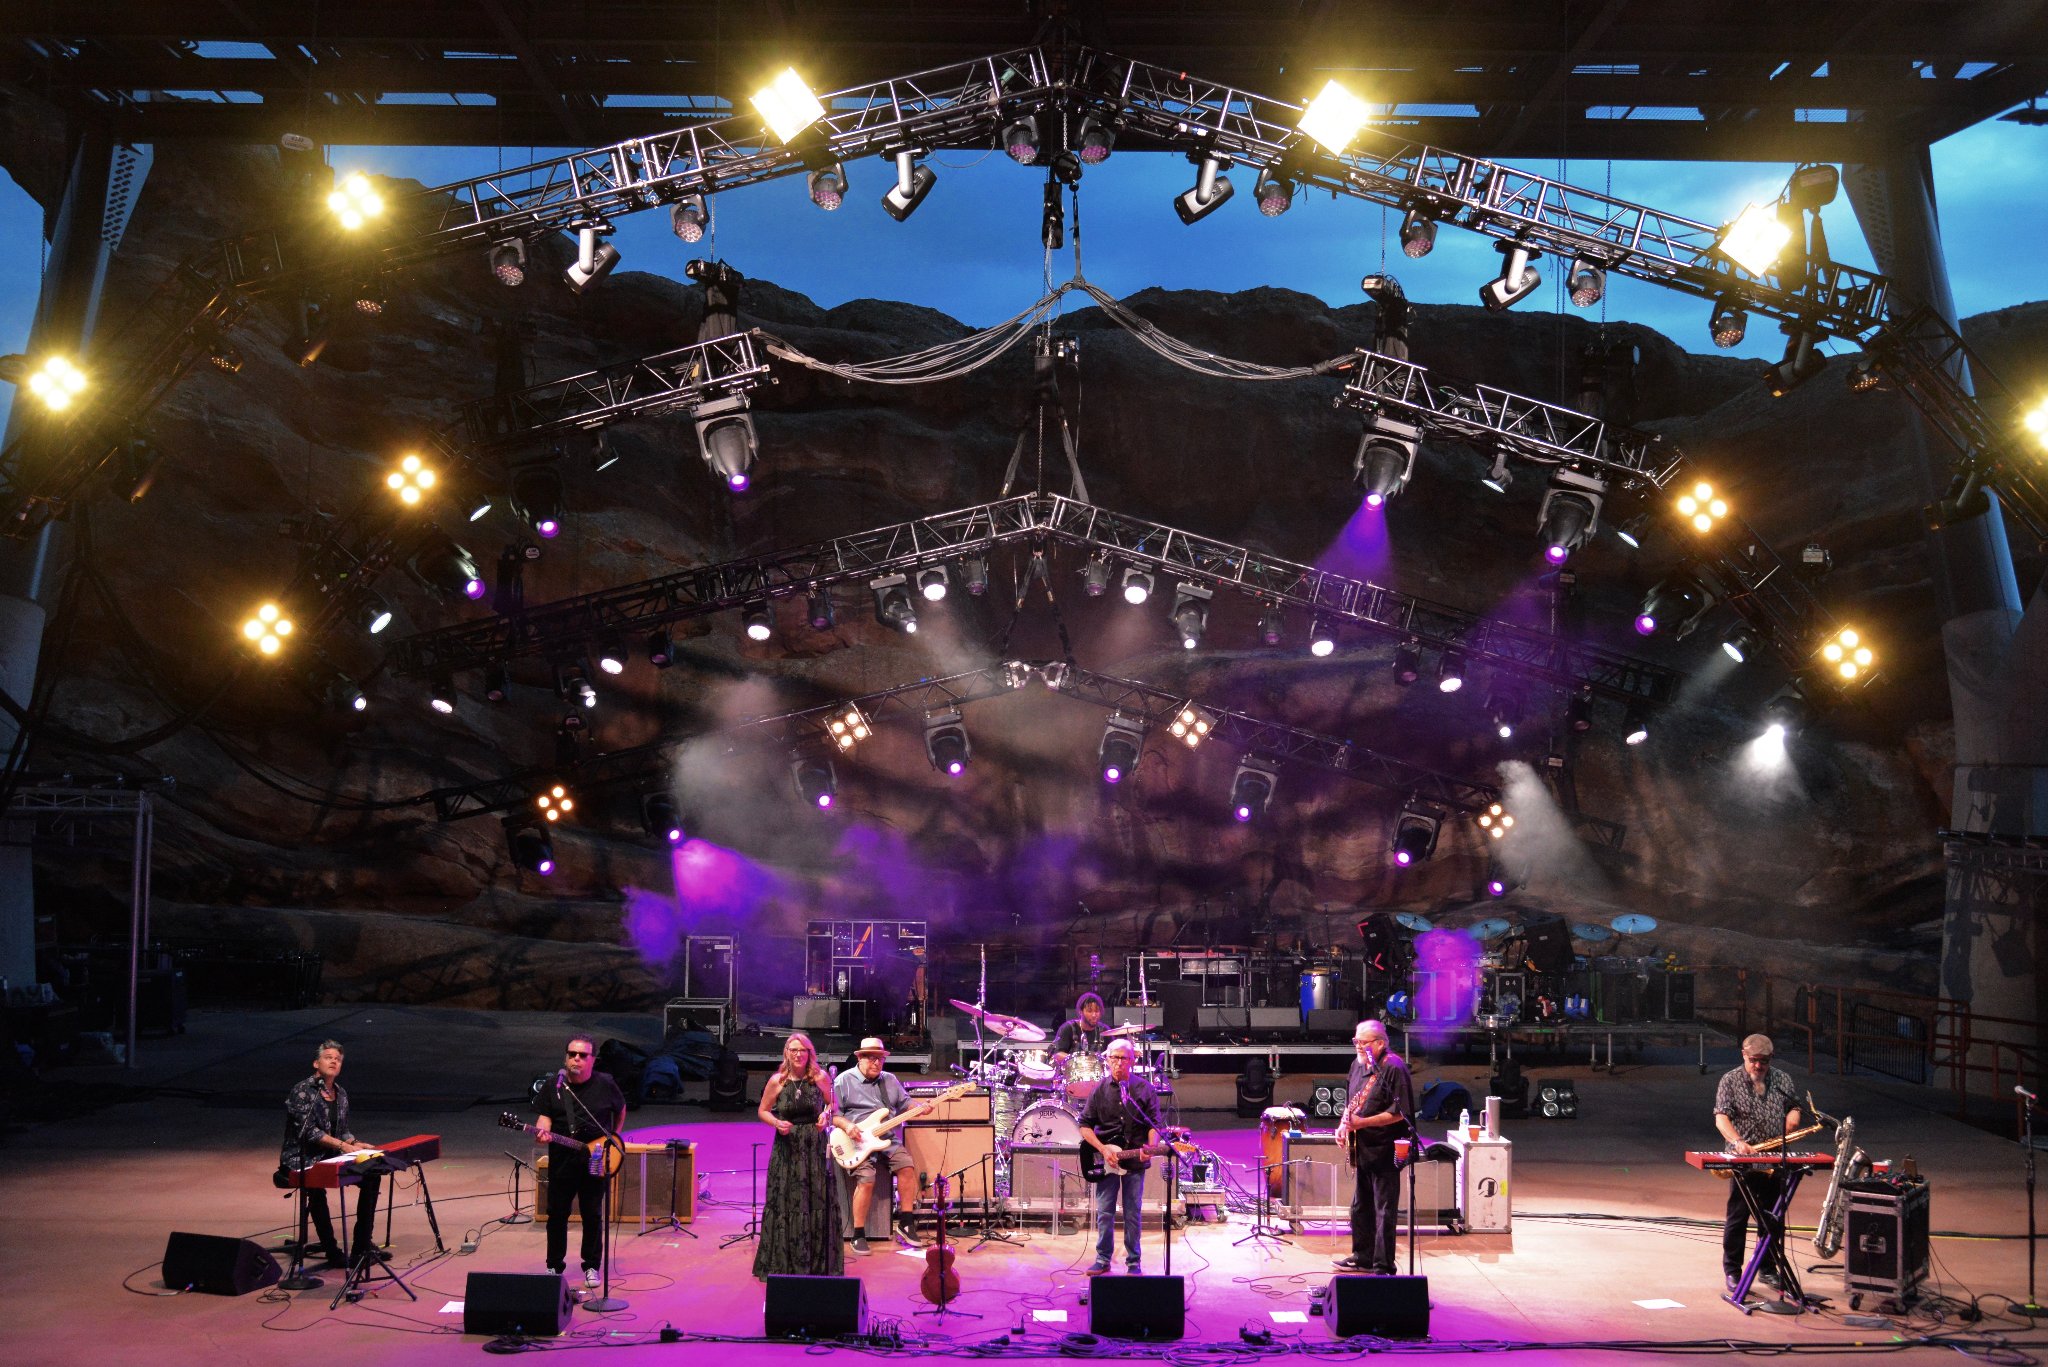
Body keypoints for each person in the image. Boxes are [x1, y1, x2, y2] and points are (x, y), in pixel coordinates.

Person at [533, 1033, 627, 1291]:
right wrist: (542, 1130)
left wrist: (612, 1139)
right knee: (557, 1214)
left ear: (592, 1060)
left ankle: (592, 1266)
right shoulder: (554, 1085)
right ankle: (554, 1265)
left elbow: (620, 1109)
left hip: (596, 1160)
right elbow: (545, 1117)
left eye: (582, 1055)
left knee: (592, 1214)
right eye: (572, 1054)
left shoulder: (605, 1084)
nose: (576, 1059)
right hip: (562, 1160)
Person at [280, 1039, 383, 1269]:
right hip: (301, 1156)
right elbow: (310, 1132)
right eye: (329, 1057)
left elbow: (342, 1130)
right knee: (316, 1188)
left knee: (372, 1175)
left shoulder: (341, 1093)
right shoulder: (303, 1091)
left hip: (329, 1155)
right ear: (316, 1063)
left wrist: (355, 1143)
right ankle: (331, 1250)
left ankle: (361, 1246)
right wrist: (343, 1146)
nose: (334, 1061)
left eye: (338, 1059)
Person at [1714, 1033, 1803, 1296]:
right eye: (1753, 1060)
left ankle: (1768, 1268)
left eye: (1763, 1061)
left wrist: (1794, 1117)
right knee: (1738, 1217)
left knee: (1773, 1218)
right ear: (1744, 1055)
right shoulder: (1729, 1081)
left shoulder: (1782, 1079)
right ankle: (1733, 1271)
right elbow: (1721, 1119)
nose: (1758, 1067)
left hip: (1774, 1158)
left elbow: (1794, 1106)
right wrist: (1738, 1141)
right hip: (1744, 1160)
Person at [754, 1032, 848, 1280]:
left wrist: (825, 1116)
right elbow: (762, 1110)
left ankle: (815, 1264)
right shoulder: (778, 1081)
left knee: (814, 1199)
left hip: (814, 1146)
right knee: (787, 1200)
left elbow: (832, 1105)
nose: (798, 1054)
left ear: (809, 1054)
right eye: (793, 1050)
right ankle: (787, 1264)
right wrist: (776, 1122)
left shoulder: (820, 1078)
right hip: (787, 1146)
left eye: (803, 1050)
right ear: (786, 1053)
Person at [832, 1037, 932, 1253]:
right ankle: (858, 1233)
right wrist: (848, 1126)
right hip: (856, 1141)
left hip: (886, 1137)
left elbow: (906, 1104)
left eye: (880, 1059)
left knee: (906, 1165)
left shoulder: (890, 1080)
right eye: (871, 1058)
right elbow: (834, 1115)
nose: (876, 1063)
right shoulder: (843, 1080)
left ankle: (906, 1222)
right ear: (859, 1058)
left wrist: (920, 1107)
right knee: (867, 1179)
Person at [1077, 1038, 1161, 1275]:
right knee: (1105, 1212)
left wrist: (1151, 1148)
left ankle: (1133, 1262)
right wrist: (1103, 1149)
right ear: (1107, 1060)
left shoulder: (1144, 1089)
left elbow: (1154, 1125)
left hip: (1134, 1159)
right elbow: (1084, 1125)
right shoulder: (1099, 1090)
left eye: (1124, 1058)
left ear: (1132, 1061)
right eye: (1114, 1058)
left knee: (1132, 1212)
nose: (1118, 1063)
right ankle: (1103, 1259)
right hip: (1107, 1161)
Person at [1335, 1019, 1413, 1275]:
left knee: (1384, 1210)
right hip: (1363, 1149)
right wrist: (1343, 1126)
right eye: (1356, 1041)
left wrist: (1362, 1123)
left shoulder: (1393, 1068)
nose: (1358, 1046)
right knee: (1361, 1207)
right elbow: (1351, 1102)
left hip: (1386, 1149)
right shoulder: (1356, 1067)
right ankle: (1363, 1256)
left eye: (1363, 1042)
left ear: (1380, 1043)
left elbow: (1400, 1113)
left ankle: (1383, 1264)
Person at [1051, 992, 1108, 1065]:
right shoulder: (1068, 1028)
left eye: (1097, 1011)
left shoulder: (1105, 1030)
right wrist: (1081, 1061)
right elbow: (1057, 1055)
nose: (1094, 1015)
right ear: (1080, 1011)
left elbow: (1113, 1054)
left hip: (1098, 1074)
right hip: (1073, 1074)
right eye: (1089, 1011)